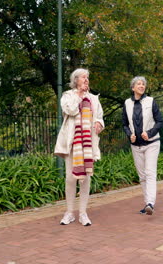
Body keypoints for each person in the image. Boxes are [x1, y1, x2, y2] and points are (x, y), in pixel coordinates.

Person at [54, 68, 104, 226]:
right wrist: (79, 96)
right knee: (70, 178)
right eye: (83, 77)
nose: (86, 80)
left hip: (88, 144)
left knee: (86, 178)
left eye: (87, 77)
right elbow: (70, 110)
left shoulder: (93, 99)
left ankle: (83, 213)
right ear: (76, 80)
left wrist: (99, 123)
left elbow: (99, 117)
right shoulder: (68, 96)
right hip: (72, 143)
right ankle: (69, 212)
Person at [122, 76, 163, 215]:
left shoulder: (151, 101)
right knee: (142, 176)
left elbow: (159, 122)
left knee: (150, 172)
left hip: (152, 143)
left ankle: (150, 203)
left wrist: (150, 133)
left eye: (143, 84)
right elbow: (125, 124)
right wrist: (130, 135)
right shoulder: (127, 103)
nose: (141, 86)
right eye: (138, 84)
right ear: (133, 88)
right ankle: (147, 204)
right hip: (136, 145)